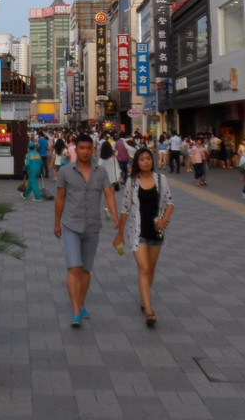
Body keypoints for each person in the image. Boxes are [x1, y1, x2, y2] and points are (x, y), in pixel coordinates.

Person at [54, 134, 119, 328]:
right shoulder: (66, 171)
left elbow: (109, 193)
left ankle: (81, 303)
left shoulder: (100, 172)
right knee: (74, 267)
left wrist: (115, 215)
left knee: (85, 270)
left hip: (92, 226)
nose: (85, 151)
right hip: (71, 225)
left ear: (93, 150)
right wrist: (56, 223)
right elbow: (60, 198)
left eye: (88, 148)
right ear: (77, 149)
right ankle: (76, 310)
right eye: (81, 148)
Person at [114, 148, 173, 328]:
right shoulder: (132, 183)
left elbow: (170, 202)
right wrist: (120, 233)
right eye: (142, 159)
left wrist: (164, 220)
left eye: (148, 159)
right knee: (144, 267)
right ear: (137, 163)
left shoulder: (161, 180)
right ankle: (149, 311)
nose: (146, 162)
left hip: (155, 230)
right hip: (137, 230)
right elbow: (125, 208)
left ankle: (144, 297)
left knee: (151, 268)